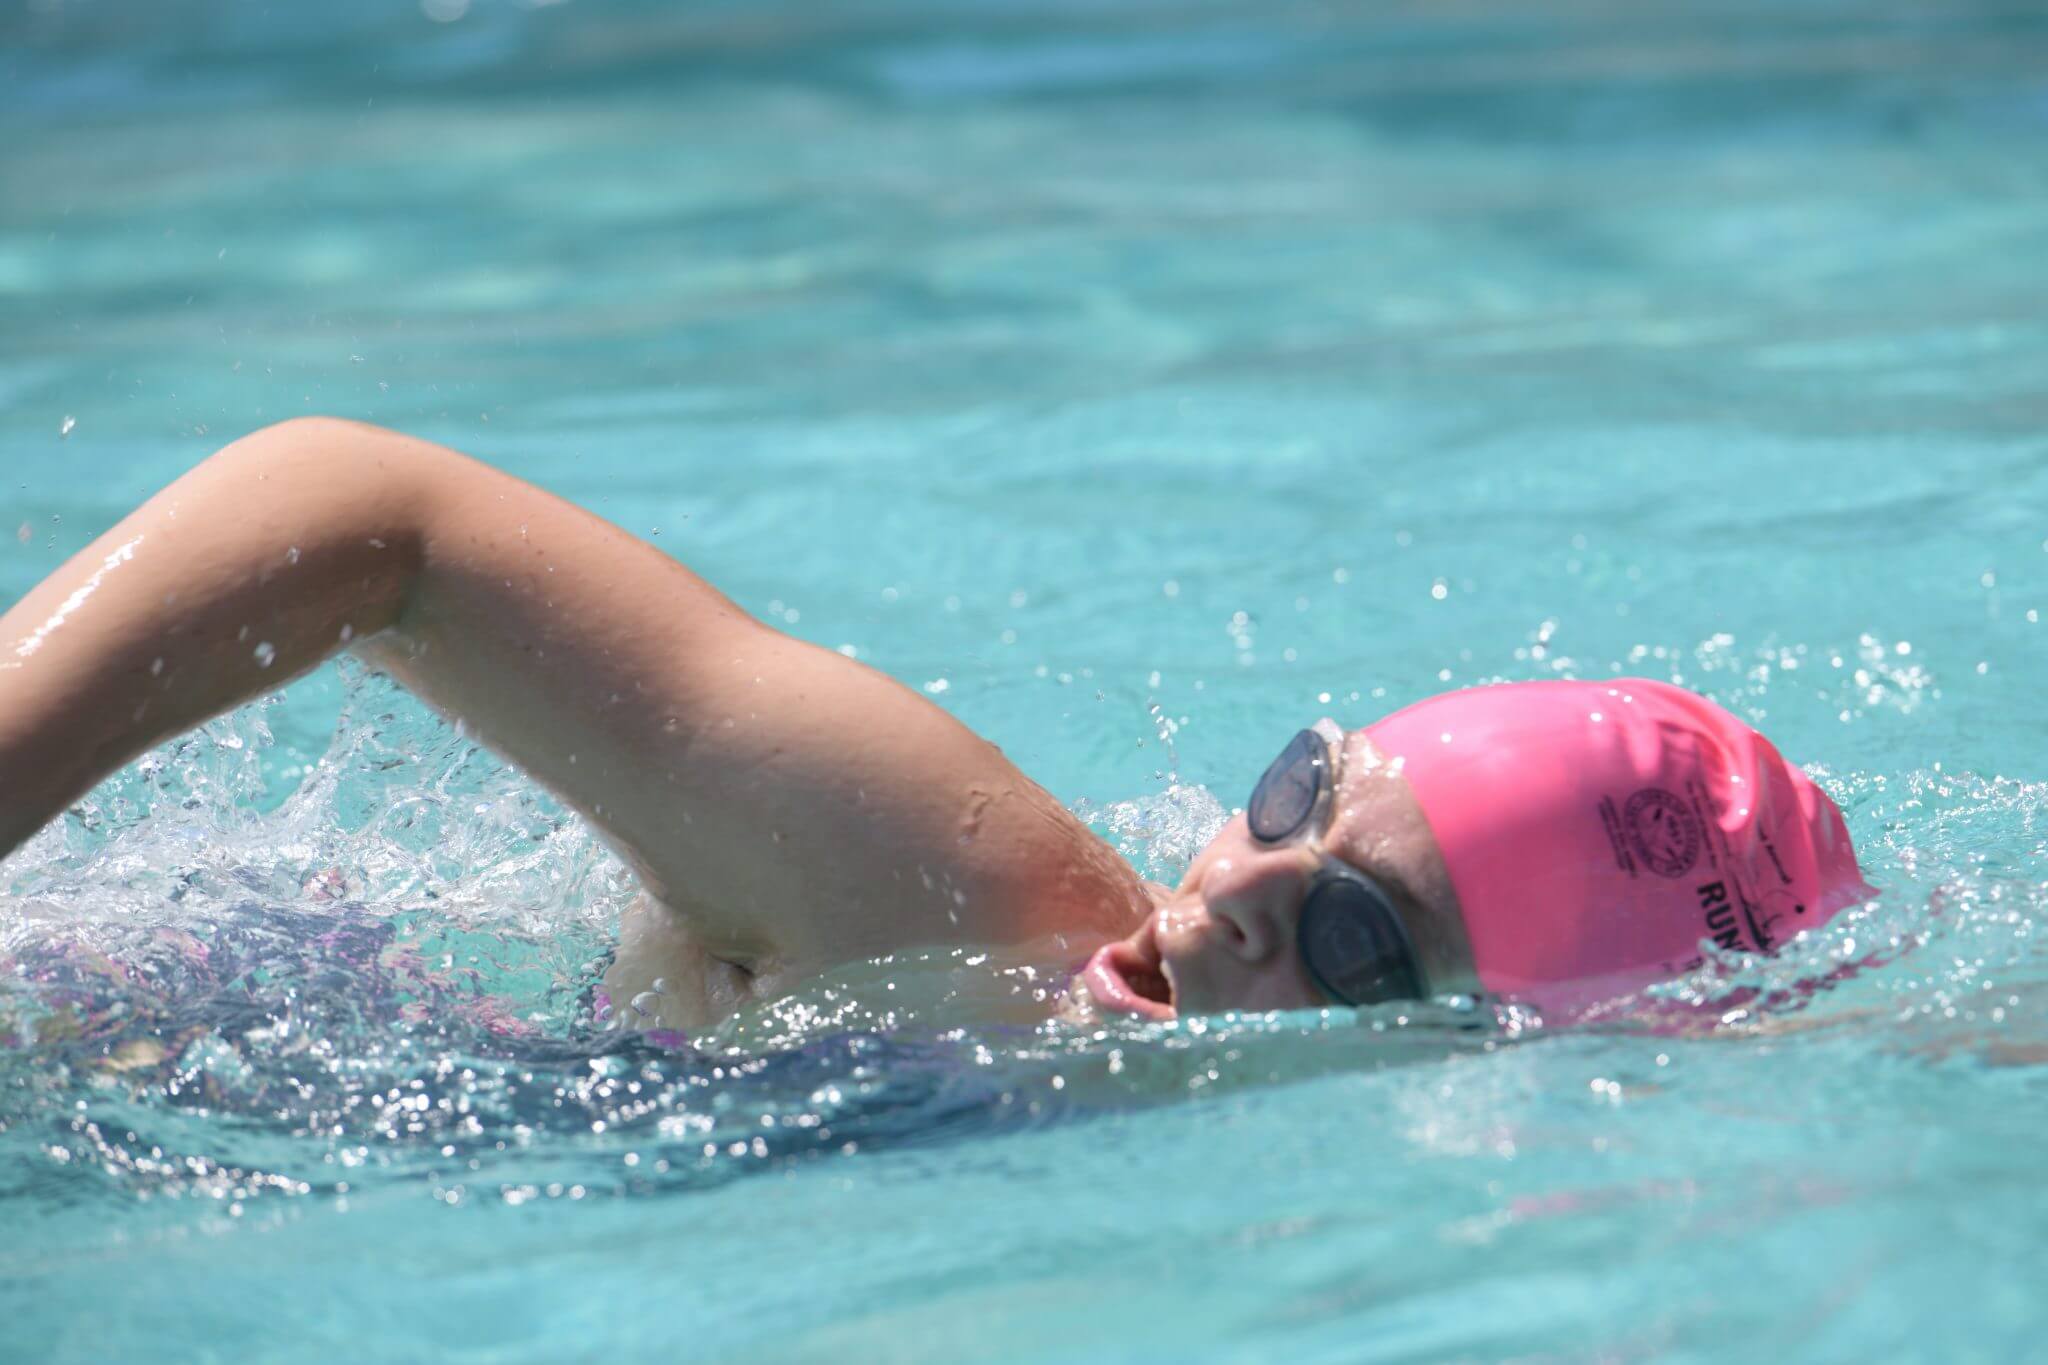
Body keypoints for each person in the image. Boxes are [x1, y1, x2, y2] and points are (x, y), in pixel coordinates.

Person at [0, 418, 1868, 1035]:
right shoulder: (961, 901)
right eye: (1295, 801)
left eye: (1360, 940)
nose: (1234, 901)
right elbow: (367, 509)